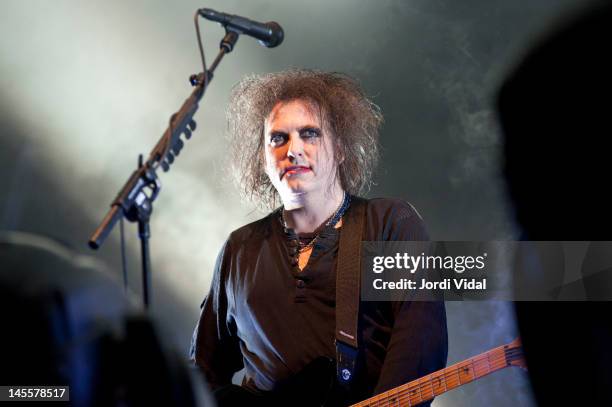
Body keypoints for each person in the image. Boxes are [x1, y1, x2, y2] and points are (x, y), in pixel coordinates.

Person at [190, 69, 447, 406]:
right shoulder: (239, 248)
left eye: (310, 134)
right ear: (263, 161)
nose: (293, 149)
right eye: (277, 138)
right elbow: (202, 370)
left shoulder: (389, 224)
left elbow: (421, 344)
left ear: (340, 148)